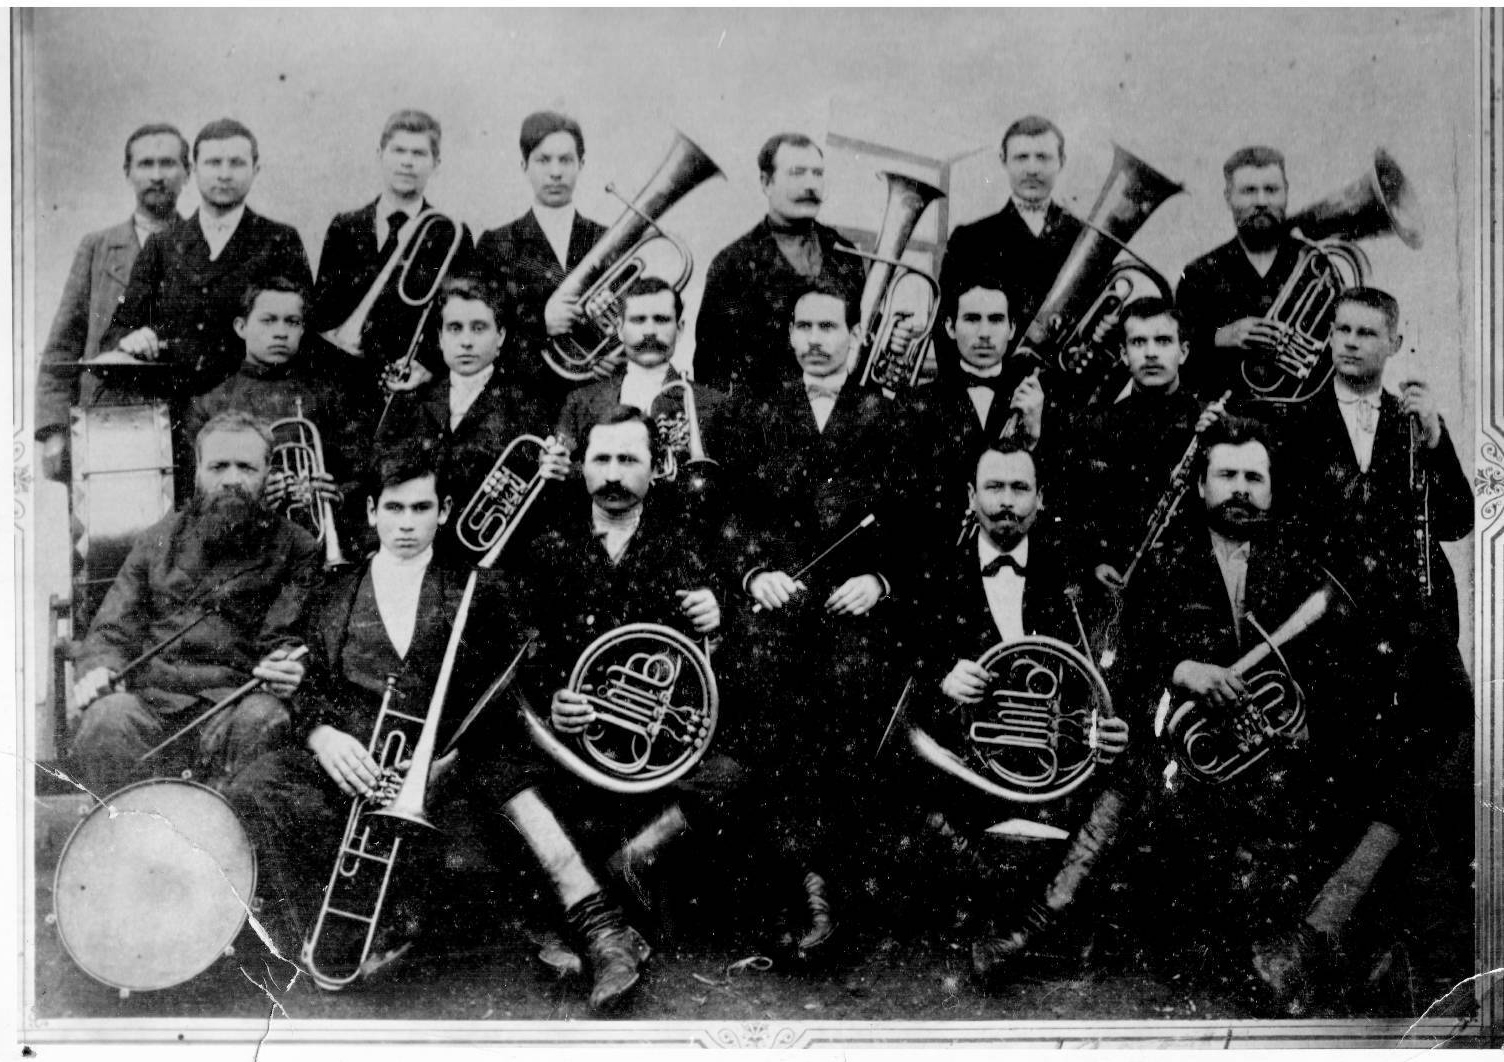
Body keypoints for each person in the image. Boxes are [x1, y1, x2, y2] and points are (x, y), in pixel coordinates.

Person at [1118, 415, 1404, 1009]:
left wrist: (1301, 724)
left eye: (1254, 476)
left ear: (1272, 490)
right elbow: (1129, 669)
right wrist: (1183, 669)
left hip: (1284, 762)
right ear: (1201, 486)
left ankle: (1297, 951)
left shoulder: (1301, 565)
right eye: (1226, 475)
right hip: (1201, 772)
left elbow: (1334, 676)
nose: (1241, 488)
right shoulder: (1160, 565)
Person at [1272, 287, 1474, 1010]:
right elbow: (1283, 536)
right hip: (1331, 633)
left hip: (1413, 629)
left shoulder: (1412, 420)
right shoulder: (1294, 421)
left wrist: (1436, 438)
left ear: (1394, 342)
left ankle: (1358, 945)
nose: (1352, 343)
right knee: (1339, 788)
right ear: (1329, 338)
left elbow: (1456, 520)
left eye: (1367, 333)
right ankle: (1329, 954)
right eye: (1342, 330)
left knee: (1422, 768)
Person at [503, 406, 735, 1008]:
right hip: (575, 749)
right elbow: (524, 644)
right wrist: (555, 698)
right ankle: (612, 930)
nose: (612, 473)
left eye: (628, 459)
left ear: (657, 468)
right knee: (497, 768)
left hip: (653, 759)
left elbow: (710, 660)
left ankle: (597, 904)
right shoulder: (547, 541)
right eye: (601, 459)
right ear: (580, 467)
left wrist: (718, 615)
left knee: (735, 776)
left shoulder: (685, 539)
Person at [731, 279, 930, 950]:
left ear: (853, 336)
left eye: (829, 328)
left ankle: (838, 893)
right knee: (769, 715)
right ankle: (794, 887)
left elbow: (916, 524)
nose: (816, 340)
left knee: (853, 714)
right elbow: (736, 518)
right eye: (804, 327)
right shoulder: (759, 413)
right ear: (789, 336)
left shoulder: (891, 414)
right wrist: (756, 574)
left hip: (857, 615)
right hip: (780, 614)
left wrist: (878, 580)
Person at [908, 439, 1130, 982]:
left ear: (1040, 498)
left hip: (1057, 764)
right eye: (994, 487)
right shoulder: (933, 571)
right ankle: (1012, 908)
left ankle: (1034, 920)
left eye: (1019, 488)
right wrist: (942, 676)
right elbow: (905, 660)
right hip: (970, 764)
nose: (1006, 501)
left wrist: (1109, 727)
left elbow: (1106, 674)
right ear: (970, 496)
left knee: (1134, 778)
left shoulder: (1077, 578)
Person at [67, 411, 319, 795]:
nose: (231, 479)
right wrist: (101, 669)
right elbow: (111, 630)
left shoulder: (297, 547)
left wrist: (286, 665)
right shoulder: (157, 539)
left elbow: (285, 637)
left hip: (235, 703)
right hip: (152, 703)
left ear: (267, 473)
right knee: (107, 719)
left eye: (246, 467)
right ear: (198, 470)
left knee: (264, 718)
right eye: (219, 466)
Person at [102, 117, 313, 400]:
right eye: (214, 163)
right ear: (194, 169)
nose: (224, 174)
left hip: (252, 407)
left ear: (256, 169)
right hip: (173, 410)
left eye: (237, 163)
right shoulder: (162, 246)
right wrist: (131, 340)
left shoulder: (279, 240)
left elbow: (306, 334)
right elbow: (117, 332)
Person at [377, 275, 570, 564]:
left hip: (494, 563)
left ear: (501, 336)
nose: (466, 341)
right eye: (455, 329)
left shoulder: (527, 407)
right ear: (440, 338)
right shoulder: (411, 400)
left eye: (479, 328)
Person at [35, 122, 190, 481]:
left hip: (181, 422)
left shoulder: (202, 248)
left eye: (167, 164)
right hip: (105, 419)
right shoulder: (98, 248)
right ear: (127, 172)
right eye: (145, 164)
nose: (156, 175)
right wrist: (54, 430)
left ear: (187, 173)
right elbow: (63, 345)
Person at [184, 277, 372, 553]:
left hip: (318, 546)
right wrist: (252, 498)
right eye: (268, 320)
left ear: (303, 329)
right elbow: (195, 500)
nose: (281, 332)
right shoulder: (210, 405)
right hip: (243, 552)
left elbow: (363, 473)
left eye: (292, 322)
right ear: (241, 327)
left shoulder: (328, 396)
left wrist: (339, 492)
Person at [309, 109, 473, 406]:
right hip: (341, 383)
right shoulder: (345, 227)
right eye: (398, 150)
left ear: (436, 164)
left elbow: (460, 314)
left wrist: (427, 366)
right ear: (380, 155)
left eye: (419, 153)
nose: (407, 162)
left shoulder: (450, 235)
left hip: (411, 388)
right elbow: (323, 311)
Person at [1067, 297, 1225, 594]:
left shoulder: (1212, 422)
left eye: (1163, 341)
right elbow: (1077, 511)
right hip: (1119, 587)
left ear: (1184, 352)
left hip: (1195, 588)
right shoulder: (1094, 426)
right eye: (1139, 342)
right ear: (1124, 355)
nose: (1151, 353)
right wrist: (1094, 563)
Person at [693, 132, 866, 398]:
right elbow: (710, 371)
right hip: (762, 428)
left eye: (817, 174)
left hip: (838, 420)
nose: (811, 185)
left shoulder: (845, 253)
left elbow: (861, 338)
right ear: (766, 183)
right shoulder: (732, 263)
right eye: (797, 173)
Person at [556, 276, 737, 500]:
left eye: (661, 320)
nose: (650, 331)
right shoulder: (579, 402)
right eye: (638, 320)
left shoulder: (716, 405)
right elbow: (564, 486)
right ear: (620, 329)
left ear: (680, 329)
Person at [474, 111, 607, 409]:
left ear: (581, 165)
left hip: (596, 399)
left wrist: (614, 356)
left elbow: (628, 318)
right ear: (524, 166)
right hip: (522, 401)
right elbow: (481, 331)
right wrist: (542, 322)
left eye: (566, 160)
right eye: (543, 160)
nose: (555, 172)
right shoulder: (496, 244)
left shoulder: (606, 238)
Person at [938, 116, 1083, 352]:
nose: (1032, 169)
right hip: (989, 384)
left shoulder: (1084, 237)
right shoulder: (969, 239)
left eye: (1043, 157)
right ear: (1004, 161)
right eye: (1021, 157)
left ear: (1062, 162)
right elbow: (945, 326)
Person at [1174, 145, 1308, 401]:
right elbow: (1176, 360)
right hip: (1224, 421)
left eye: (1271, 190)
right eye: (1248, 191)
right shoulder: (1198, 274)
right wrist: (1219, 337)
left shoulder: (1315, 264)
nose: (1261, 201)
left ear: (1287, 193)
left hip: (1303, 420)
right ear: (1228, 198)